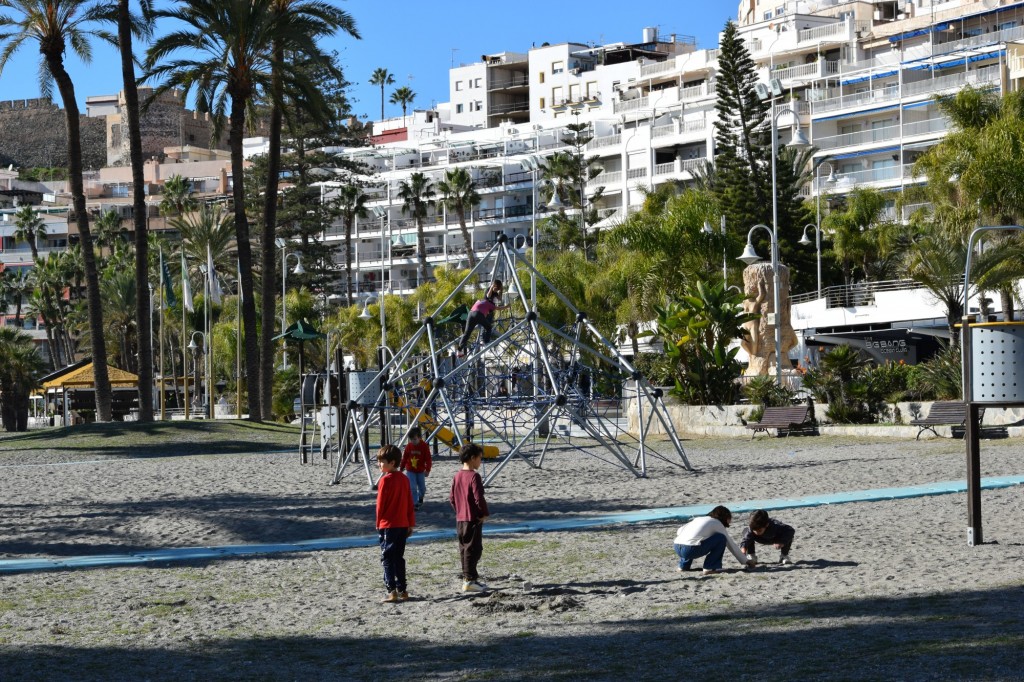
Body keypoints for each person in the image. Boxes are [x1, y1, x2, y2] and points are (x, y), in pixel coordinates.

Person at [376, 444, 416, 603]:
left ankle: (391, 590)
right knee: (399, 557)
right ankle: (403, 589)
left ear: (392, 463)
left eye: (382, 461)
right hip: (403, 524)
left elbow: (380, 505)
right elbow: (409, 503)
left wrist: (378, 523)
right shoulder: (405, 479)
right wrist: (410, 523)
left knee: (387, 557)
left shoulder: (385, 481)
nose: (379, 464)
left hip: (388, 525)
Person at [449, 443, 490, 593]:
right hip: (472, 519)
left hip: (460, 519)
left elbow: (452, 498)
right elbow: (479, 497)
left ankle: (469, 578)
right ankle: (469, 580)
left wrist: (459, 511)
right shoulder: (474, 476)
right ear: (472, 458)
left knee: (465, 549)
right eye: (480, 458)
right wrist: (484, 513)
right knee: (474, 549)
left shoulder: (457, 476)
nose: (481, 461)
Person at [673, 505, 753, 575]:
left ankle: (683, 566)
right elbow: (730, 544)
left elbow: (679, 531)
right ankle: (711, 567)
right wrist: (745, 561)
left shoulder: (698, 519)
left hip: (677, 547)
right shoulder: (717, 523)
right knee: (721, 538)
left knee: (692, 538)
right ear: (724, 517)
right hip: (690, 550)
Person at [456, 280, 508, 357]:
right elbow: (497, 307)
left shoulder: (481, 301)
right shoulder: (489, 304)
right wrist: (507, 306)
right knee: (489, 327)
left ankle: (459, 350)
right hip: (478, 314)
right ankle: (486, 342)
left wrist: (500, 290)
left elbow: (498, 298)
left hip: (471, 313)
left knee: (467, 333)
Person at [400, 426, 432, 509]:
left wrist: (427, 470)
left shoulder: (424, 446)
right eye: (411, 439)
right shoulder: (409, 446)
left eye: (415, 439)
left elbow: (428, 459)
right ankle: (415, 503)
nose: (413, 441)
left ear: (419, 438)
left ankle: (420, 497)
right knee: (412, 487)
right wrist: (401, 467)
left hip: (420, 470)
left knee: (422, 488)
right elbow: (404, 458)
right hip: (410, 470)